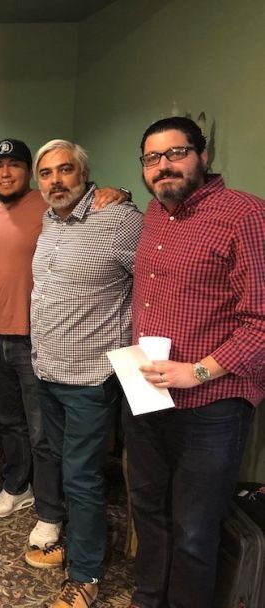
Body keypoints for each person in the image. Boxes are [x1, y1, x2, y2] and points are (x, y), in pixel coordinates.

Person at [126, 116, 265, 608]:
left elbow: (261, 321)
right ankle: (148, 598)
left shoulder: (245, 215)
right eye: (152, 158)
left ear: (202, 156)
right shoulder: (153, 213)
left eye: (176, 153)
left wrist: (197, 370)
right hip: (147, 393)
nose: (163, 166)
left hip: (212, 405)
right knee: (148, 512)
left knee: (194, 530)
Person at [0, 138, 130, 550]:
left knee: (44, 434)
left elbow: (97, 210)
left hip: (40, 342)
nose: (5, 173)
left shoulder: (50, 209)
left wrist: (120, 192)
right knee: (7, 423)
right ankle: (17, 486)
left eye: (15, 165)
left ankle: (50, 511)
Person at [24, 140, 143, 608]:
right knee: (61, 464)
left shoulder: (118, 219)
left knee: (81, 476)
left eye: (65, 170)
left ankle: (86, 574)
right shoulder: (49, 220)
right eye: (46, 173)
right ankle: (77, 544)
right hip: (48, 369)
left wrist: (125, 193)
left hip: (91, 377)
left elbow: (153, 281)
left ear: (84, 173)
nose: (55, 180)